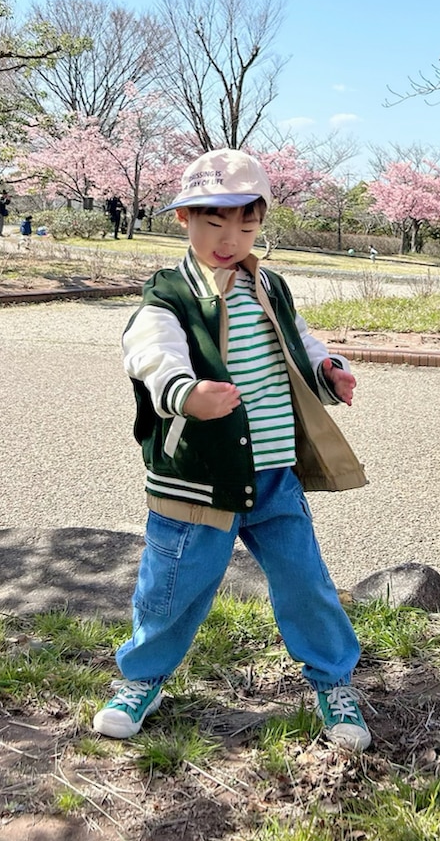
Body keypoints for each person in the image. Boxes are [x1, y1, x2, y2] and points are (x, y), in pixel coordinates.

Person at [94, 148, 371, 751]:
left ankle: (333, 680)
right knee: (172, 585)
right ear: (183, 220)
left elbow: (296, 339)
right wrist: (183, 393)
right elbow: (149, 349)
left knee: (305, 581)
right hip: (197, 477)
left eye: (246, 223)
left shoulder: (268, 283)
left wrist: (328, 366)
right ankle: (142, 677)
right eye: (213, 221)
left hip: (273, 473)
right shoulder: (170, 292)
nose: (230, 237)